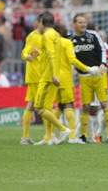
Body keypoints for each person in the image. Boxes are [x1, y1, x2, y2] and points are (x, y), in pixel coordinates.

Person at [49, 24, 99, 145]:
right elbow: (72, 60)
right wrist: (87, 68)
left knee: (59, 106)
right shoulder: (66, 42)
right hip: (65, 78)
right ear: (61, 31)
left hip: (52, 77)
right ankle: (72, 136)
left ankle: (50, 134)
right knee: (69, 105)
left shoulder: (49, 43)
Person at [70, 13, 108, 143]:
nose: (83, 24)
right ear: (74, 24)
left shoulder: (93, 35)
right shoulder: (70, 39)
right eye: (80, 22)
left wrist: (103, 64)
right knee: (86, 106)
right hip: (84, 77)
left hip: (99, 75)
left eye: (84, 22)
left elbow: (103, 50)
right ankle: (83, 135)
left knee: (104, 104)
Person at [33, 11, 71, 145]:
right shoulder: (56, 35)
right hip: (53, 75)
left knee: (39, 108)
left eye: (39, 22)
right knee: (47, 108)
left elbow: (51, 55)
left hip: (48, 77)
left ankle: (63, 129)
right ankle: (49, 137)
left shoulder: (47, 35)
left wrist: (54, 74)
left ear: (42, 22)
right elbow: (50, 54)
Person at [20, 15, 43, 145]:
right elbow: (23, 53)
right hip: (35, 76)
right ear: (37, 22)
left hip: (43, 75)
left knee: (34, 105)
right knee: (34, 105)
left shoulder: (48, 35)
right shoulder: (32, 36)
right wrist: (27, 56)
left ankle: (27, 137)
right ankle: (26, 137)